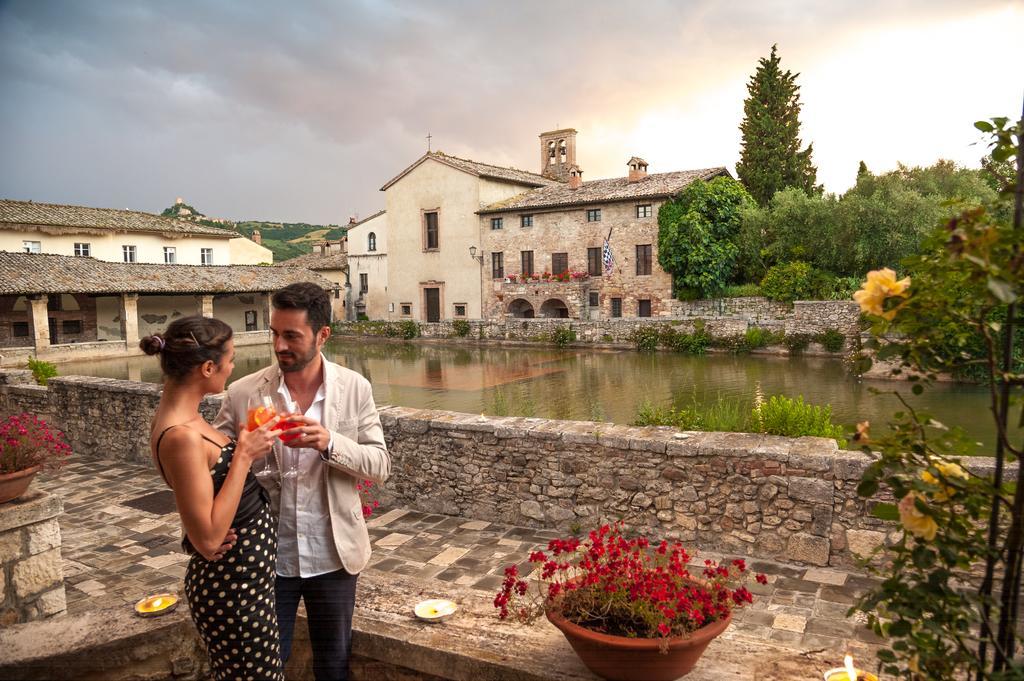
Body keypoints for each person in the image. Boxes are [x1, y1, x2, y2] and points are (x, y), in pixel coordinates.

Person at [214, 282, 391, 681]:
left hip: (334, 557)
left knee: (333, 668)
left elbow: (380, 464)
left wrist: (330, 443)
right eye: (274, 333)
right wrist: (203, 531)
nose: (279, 345)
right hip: (264, 560)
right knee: (264, 669)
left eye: (291, 335)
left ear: (322, 334)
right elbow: (206, 463)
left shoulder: (355, 388)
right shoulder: (242, 392)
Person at [142, 315, 284, 681]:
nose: (234, 366)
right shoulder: (181, 436)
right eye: (231, 358)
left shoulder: (186, 420)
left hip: (244, 582)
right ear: (208, 367)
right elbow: (208, 538)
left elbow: (202, 508)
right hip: (232, 591)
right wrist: (243, 455)